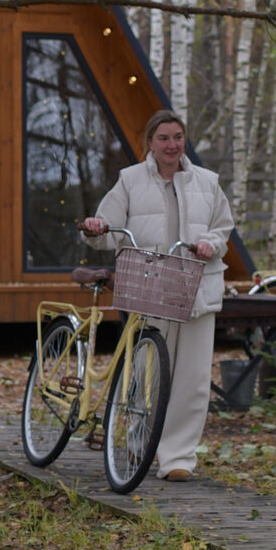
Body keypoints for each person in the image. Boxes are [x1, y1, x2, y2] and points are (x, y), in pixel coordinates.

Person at [81, 110, 234, 481]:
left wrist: (209, 244)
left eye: (178, 137)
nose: (172, 145)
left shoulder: (207, 182)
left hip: (196, 287)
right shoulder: (130, 181)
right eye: (163, 138)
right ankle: (139, 443)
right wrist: (95, 228)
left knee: (192, 379)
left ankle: (177, 457)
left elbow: (223, 229)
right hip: (150, 288)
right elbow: (107, 230)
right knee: (146, 375)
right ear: (150, 142)